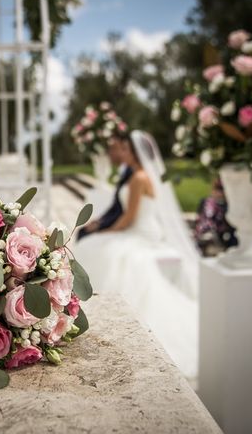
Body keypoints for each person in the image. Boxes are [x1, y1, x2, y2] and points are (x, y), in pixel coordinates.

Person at [73, 130, 200, 377]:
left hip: (140, 232)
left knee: (100, 249)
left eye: (127, 149)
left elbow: (128, 218)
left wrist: (104, 231)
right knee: (96, 246)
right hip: (138, 228)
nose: (124, 154)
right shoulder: (139, 176)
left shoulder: (139, 178)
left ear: (135, 152)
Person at [77, 134, 132, 240]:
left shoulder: (132, 174)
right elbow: (117, 205)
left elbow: (126, 212)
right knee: (83, 232)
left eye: (114, 148)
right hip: (113, 218)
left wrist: (106, 229)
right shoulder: (124, 171)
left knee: (84, 235)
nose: (109, 153)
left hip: (121, 223)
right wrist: (99, 221)